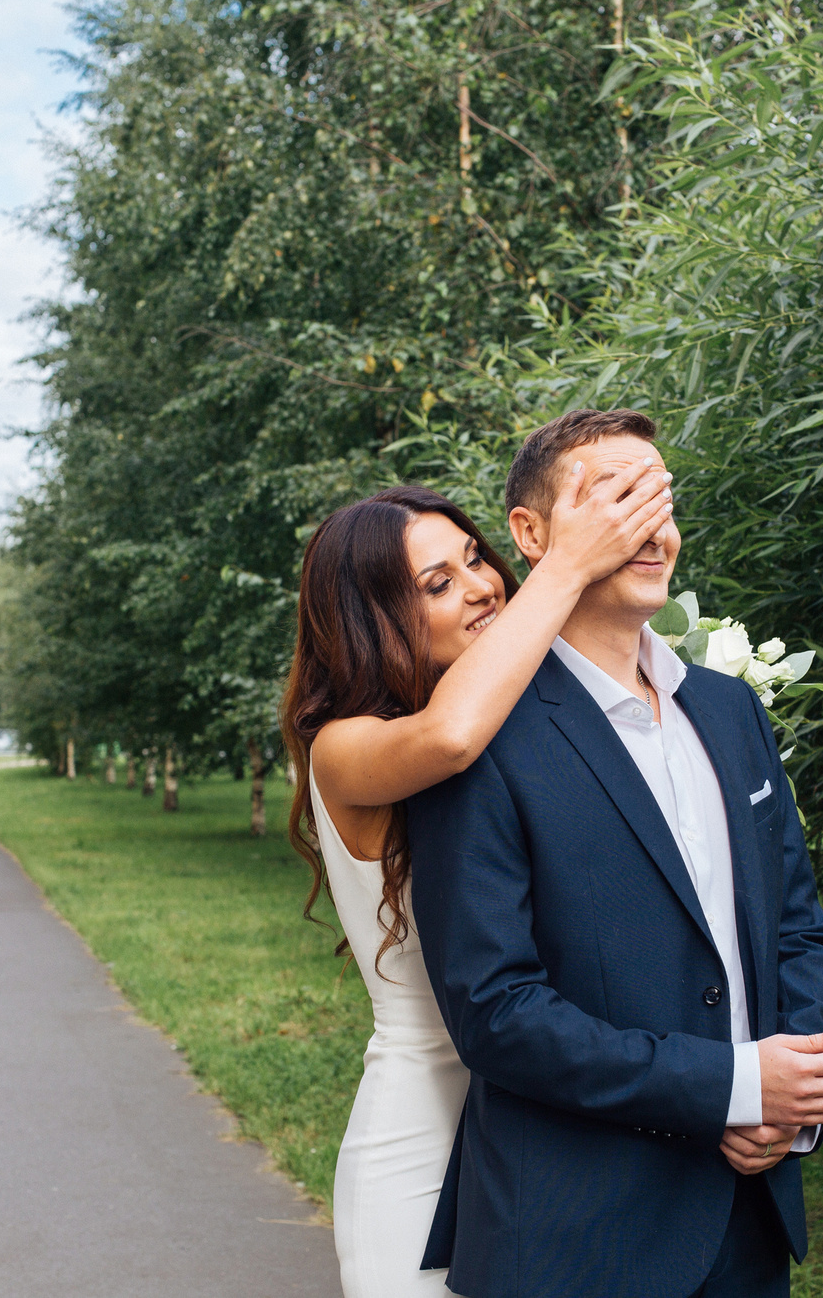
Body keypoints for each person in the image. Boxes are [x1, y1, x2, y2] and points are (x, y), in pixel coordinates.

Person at [409, 409, 823, 1298]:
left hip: (746, 1223)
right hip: (579, 1237)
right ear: (531, 534)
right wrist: (728, 1085)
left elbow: (795, 924)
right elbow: (498, 1011)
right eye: (617, 496)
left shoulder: (733, 711)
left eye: (663, 495)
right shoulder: (472, 737)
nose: (653, 521)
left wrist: (787, 1101)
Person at [281, 458, 676, 1298]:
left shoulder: (519, 728)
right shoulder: (346, 748)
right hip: (424, 1142)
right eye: (436, 581)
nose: (481, 586)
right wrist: (567, 563)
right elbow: (451, 734)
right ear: (375, 618)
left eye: (474, 557)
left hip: (548, 1126)